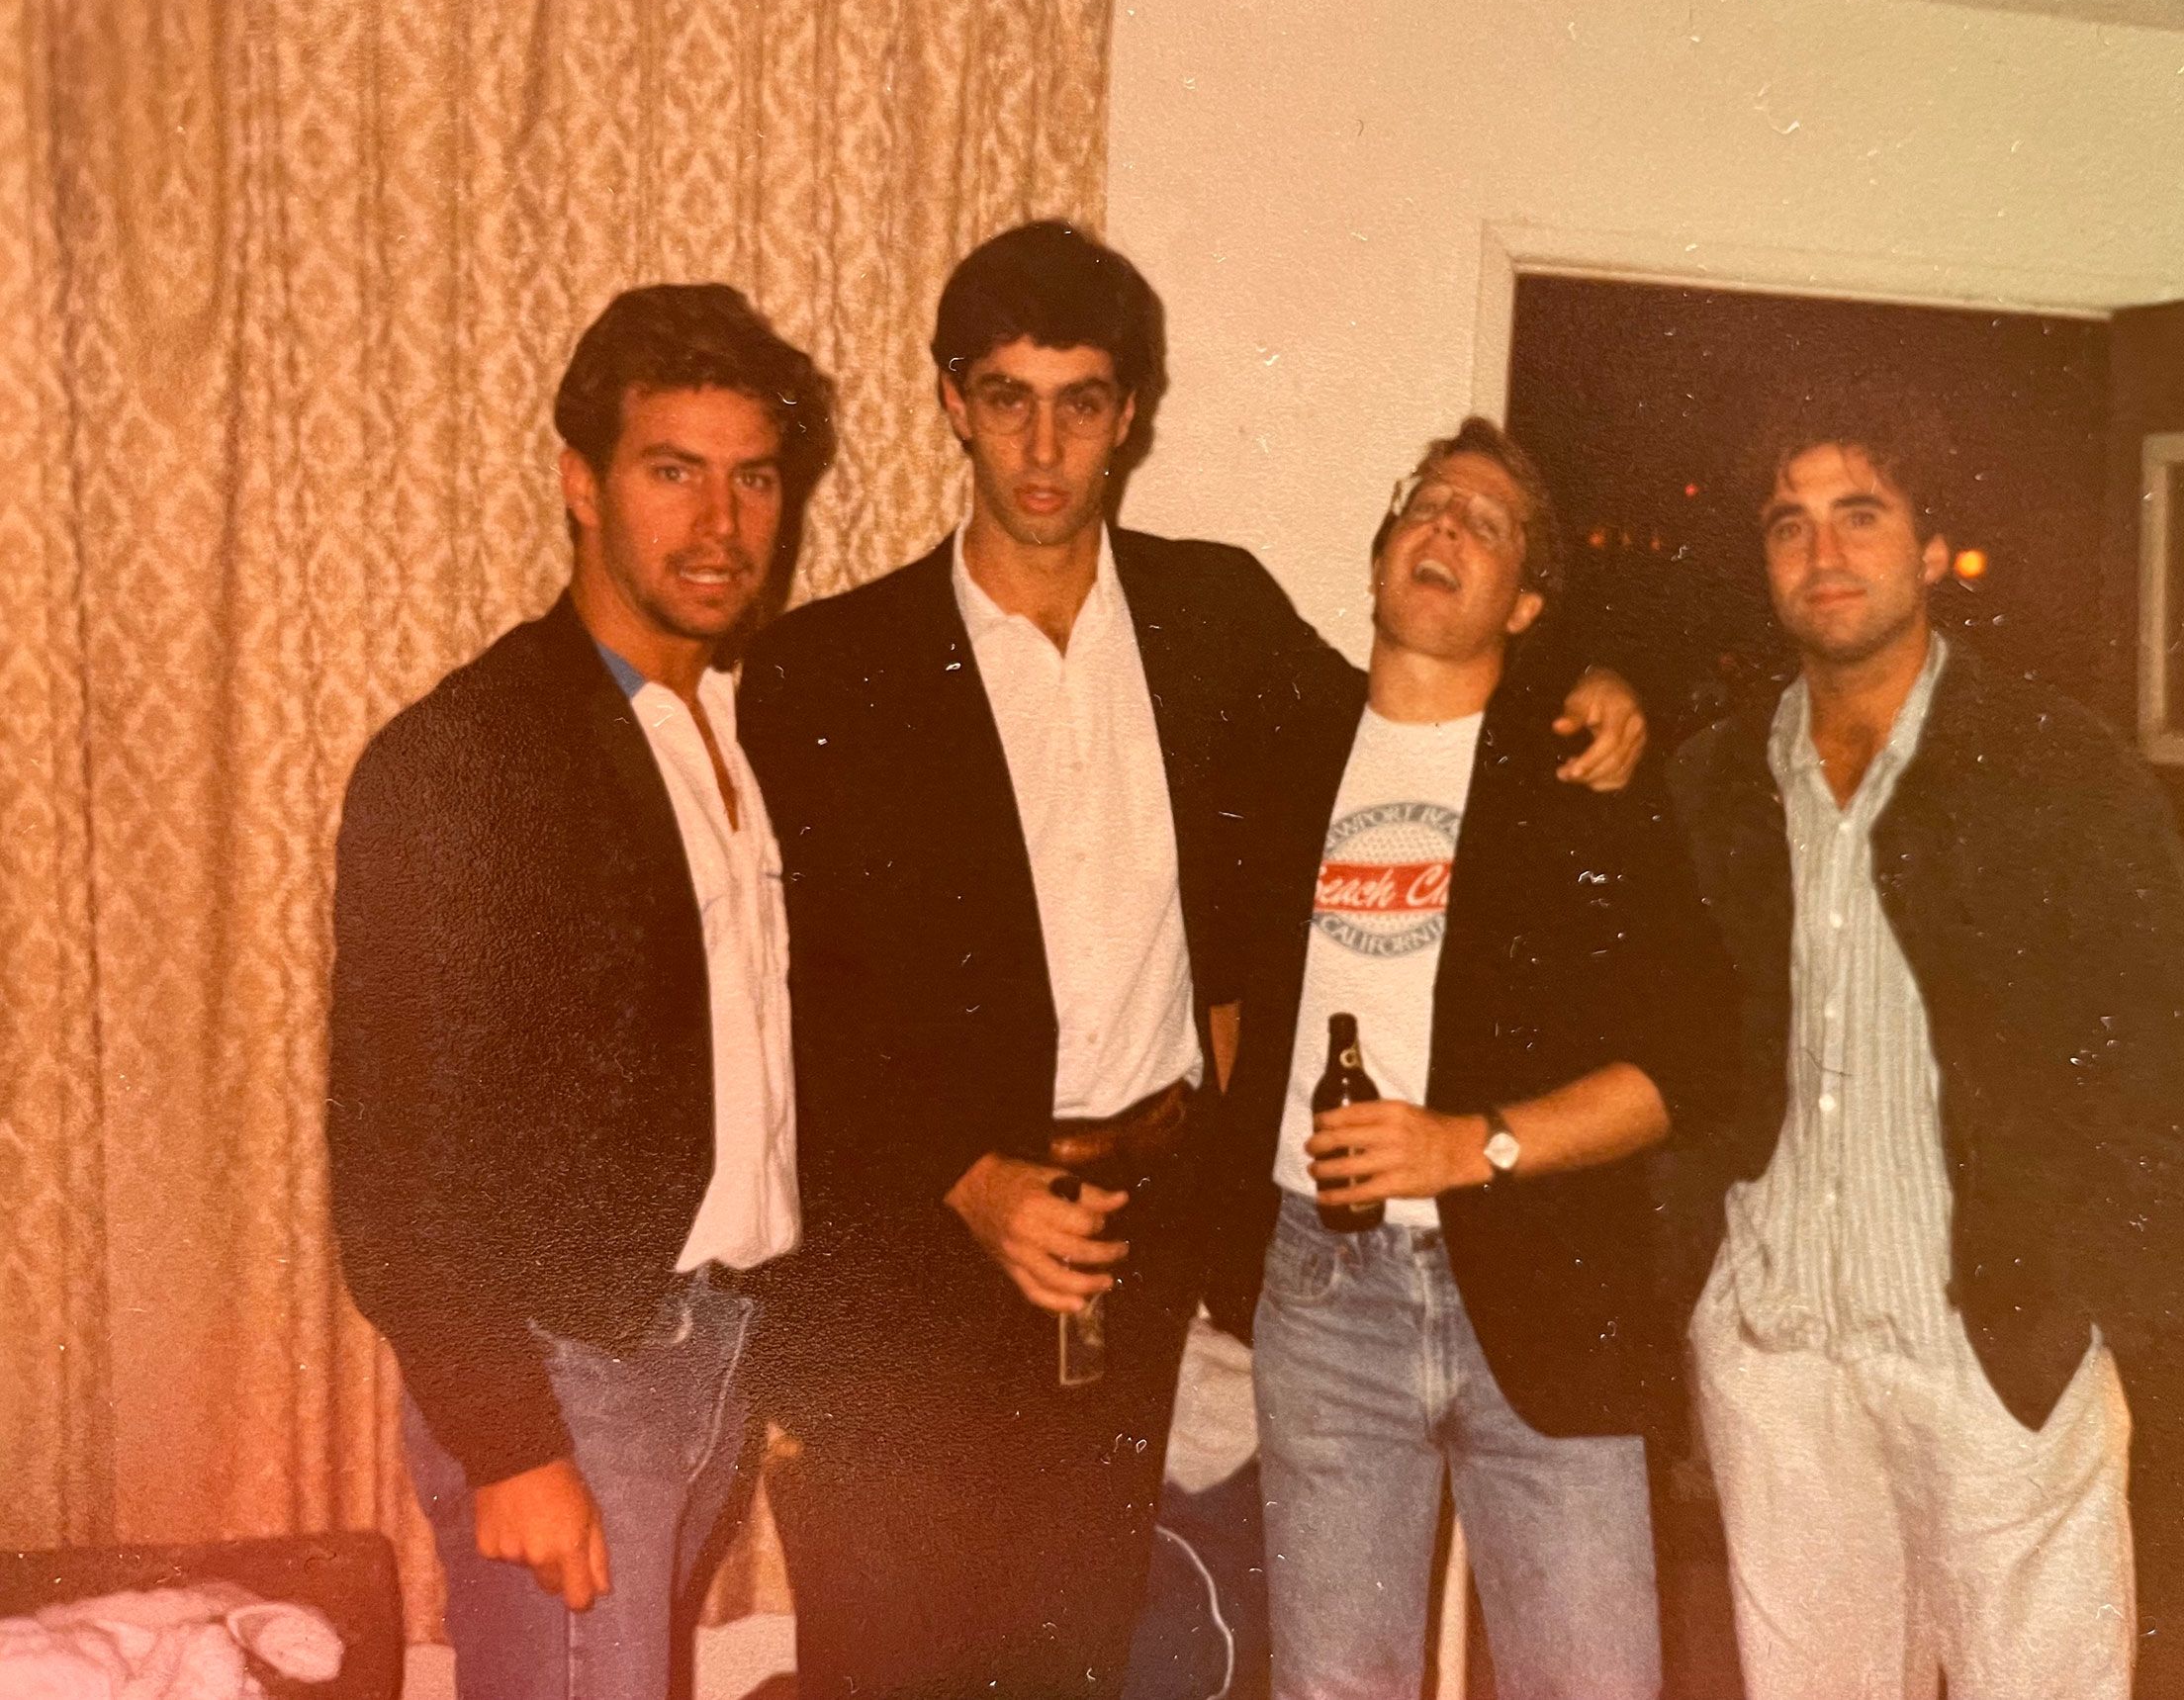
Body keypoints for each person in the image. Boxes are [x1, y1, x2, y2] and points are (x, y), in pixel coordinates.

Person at [736, 221, 1647, 1699]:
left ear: (1131, 417)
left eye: (1082, 399)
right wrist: (969, 1180)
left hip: (1135, 1243)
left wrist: (1582, 680)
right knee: (897, 1661)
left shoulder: (1212, 616)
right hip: (918, 1249)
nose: (1043, 443)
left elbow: (1414, 713)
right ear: (951, 399)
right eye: (1008, 395)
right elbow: (802, 1000)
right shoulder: (834, 665)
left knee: (1080, 1651)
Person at [1666, 380, 2184, 1700]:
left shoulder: (2054, 765)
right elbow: (1670, 1041)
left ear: (1930, 551)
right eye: (1788, 523)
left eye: (1859, 515)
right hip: (1781, 1350)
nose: (1823, 554)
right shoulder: (1710, 782)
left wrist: (2101, 1291)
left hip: (1991, 1346)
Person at [327, 285, 830, 1700]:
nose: (720, 525)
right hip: (572, 1370)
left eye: (754, 479)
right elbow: (390, 1159)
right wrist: (511, 1440)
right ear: (580, 483)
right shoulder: (471, 756)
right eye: (673, 472)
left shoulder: (749, 728)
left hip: (717, 1348)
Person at [1213, 418, 1734, 1700]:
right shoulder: (1287, 749)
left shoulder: (1580, 777)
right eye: (1427, 505)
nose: (1445, 527)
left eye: (1485, 523)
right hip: (1324, 1296)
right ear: (1385, 549)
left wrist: (1472, 1145)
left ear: (1528, 601)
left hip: (1549, 1291)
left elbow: (1690, 1071)